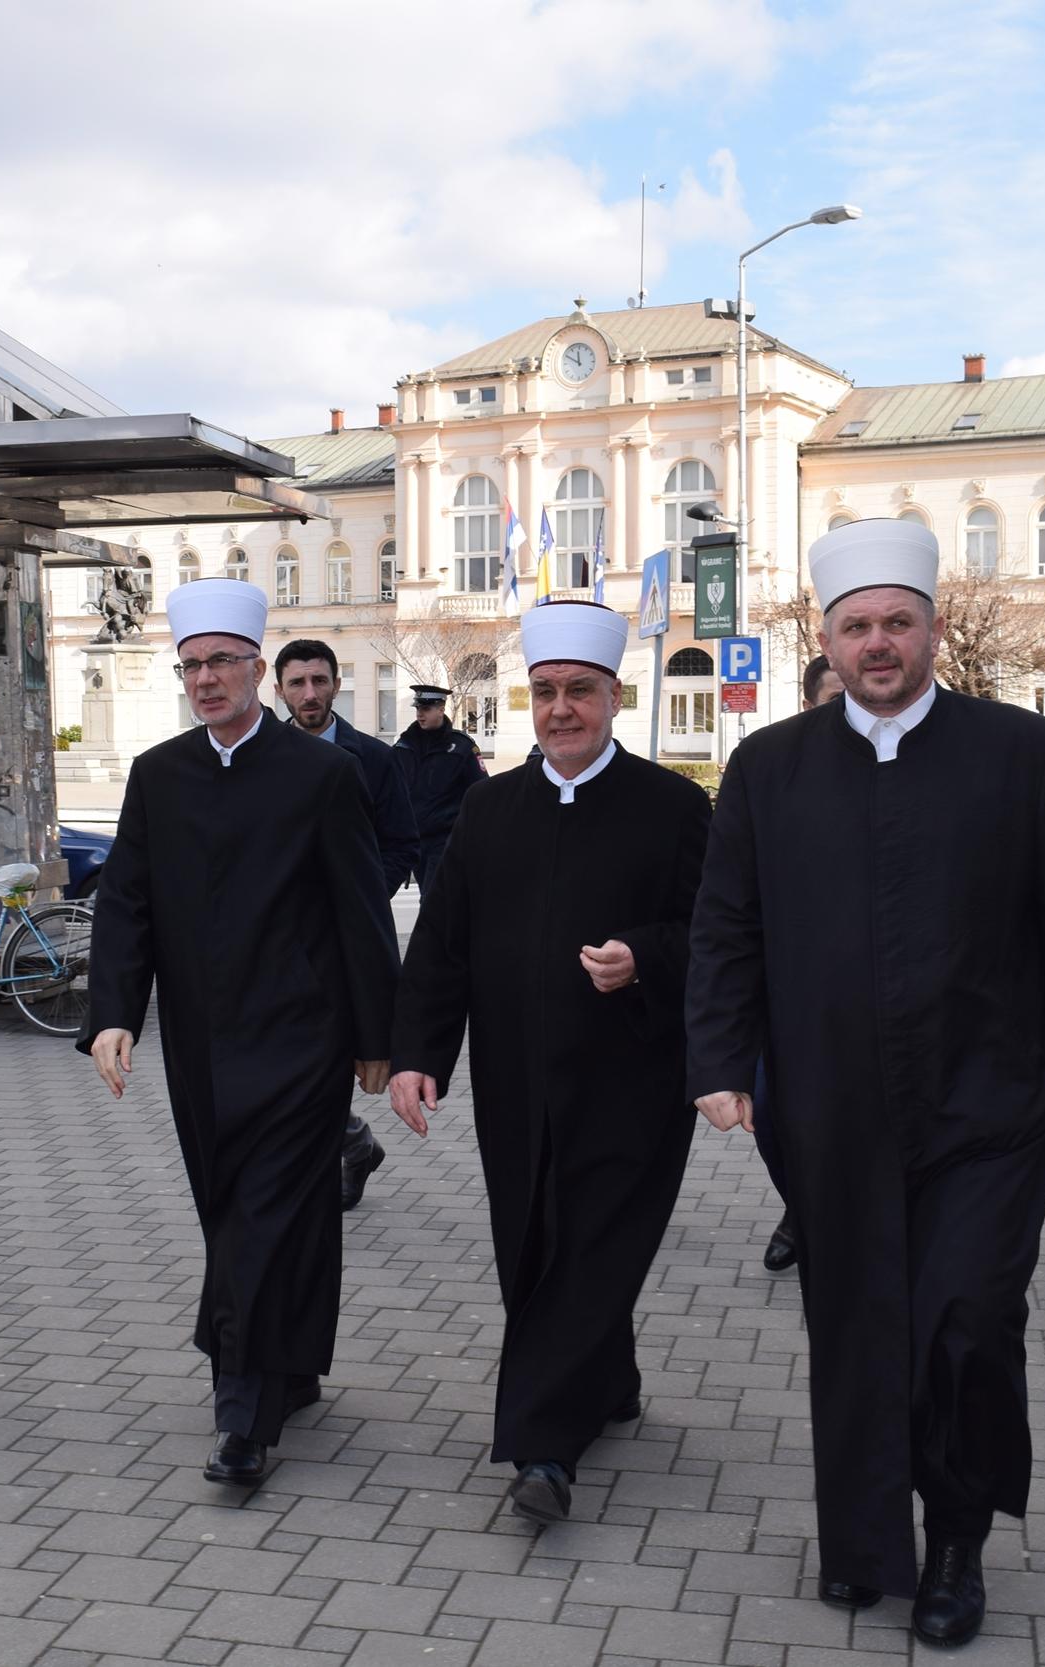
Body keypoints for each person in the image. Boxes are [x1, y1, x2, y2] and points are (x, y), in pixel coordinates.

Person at [686, 518, 1045, 1646]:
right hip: (828, 1106)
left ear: (933, 631)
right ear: (826, 640)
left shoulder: (1019, 754)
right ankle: (860, 1539)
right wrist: (715, 1060)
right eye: (856, 627)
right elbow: (725, 930)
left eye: (897, 622)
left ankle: (955, 1540)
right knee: (853, 1323)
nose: (877, 643)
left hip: (984, 1100)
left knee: (965, 1321)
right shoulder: (768, 767)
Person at [389, 602, 710, 1526]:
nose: (561, 708)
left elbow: (721, 936)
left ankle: (541, 1446)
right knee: (529, 1240)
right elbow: (442, 944)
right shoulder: (490, 807)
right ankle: (605, 1377)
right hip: (516, 1078)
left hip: (636, 1077)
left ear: (615, 695)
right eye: (545, 692)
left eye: (579, 691)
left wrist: (645, 954)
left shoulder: (674, 806)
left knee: (596, 1241)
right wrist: (418, 1055)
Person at [82, 579, 401, 1491]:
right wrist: (113, 1013)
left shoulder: (322, 774)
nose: (206, 679)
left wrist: (377, 1033)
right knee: (238, 1205)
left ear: (259, 669)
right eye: (191, 665)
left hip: (303, 1038)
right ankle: (291, 1366)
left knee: (263, 1211)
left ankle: (242, 1409)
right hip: (198, 1041)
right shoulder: (159, 773)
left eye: (223, 661)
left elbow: (360, 911)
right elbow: (127, 905)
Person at [273, 638, 421, 1212]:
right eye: (297, 683)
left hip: (345, 946)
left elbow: (401, 843)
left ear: (337, 685)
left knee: (326, 1061)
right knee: (285, 1064)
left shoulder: (375, 760)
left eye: (319, 681)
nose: (309, 694)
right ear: (279, 689)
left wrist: (357, 899)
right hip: (279, 942)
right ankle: (352, 1143)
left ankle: (340, 1150)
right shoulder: (264, 755)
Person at [755, 653, 847, 1276]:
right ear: (811, 703)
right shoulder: (773, 773)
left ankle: (837, 1219)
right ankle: (802, 1205)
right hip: (786, 992)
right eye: (835, 695)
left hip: (875, 994)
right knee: (772, 1117)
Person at [395, 685, 486, 892]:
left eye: (426, 708)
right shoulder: (403, 745)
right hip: (414, 839)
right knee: (433, 901)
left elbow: (481, 791)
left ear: (441, 709)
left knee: (432, 898)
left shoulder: (461, 747)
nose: (420, 714)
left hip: (445, 840)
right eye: (418, 708)